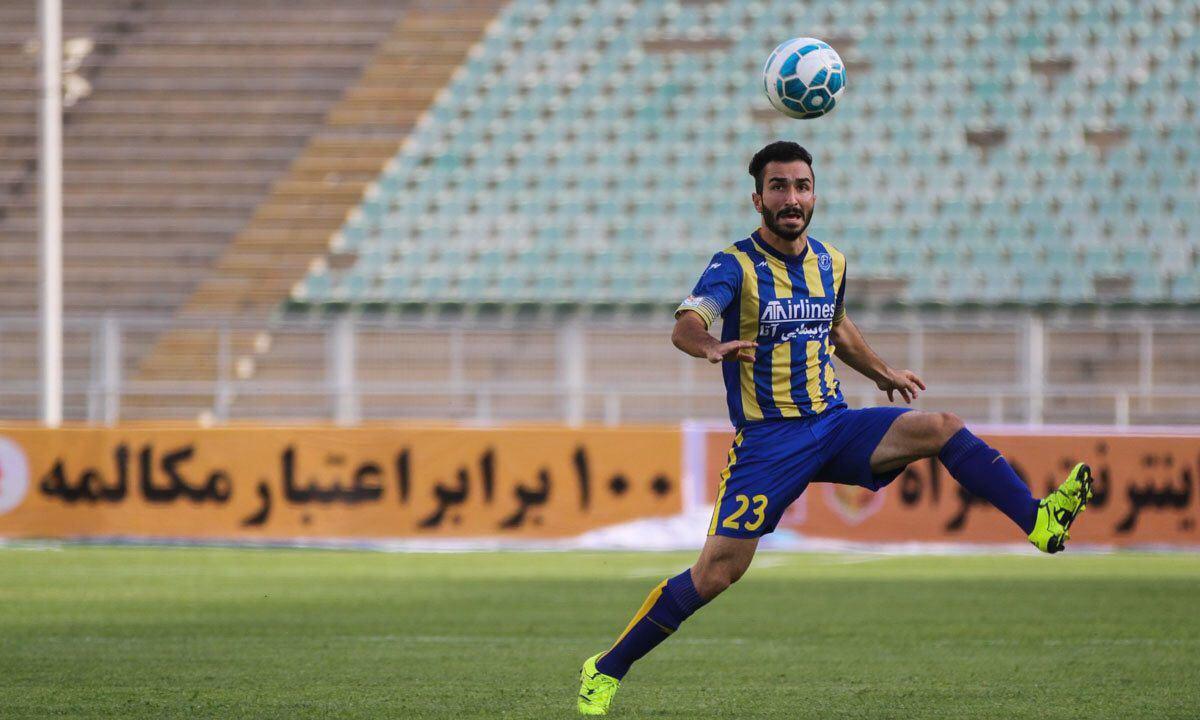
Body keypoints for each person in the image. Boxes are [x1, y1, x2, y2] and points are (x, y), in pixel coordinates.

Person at [576, 141, 1093, 716]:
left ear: (815, 195)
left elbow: (837, 327)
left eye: (801, 186)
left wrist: (883, 372)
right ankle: (606, 668)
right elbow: (687, 323)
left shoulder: (831, 262)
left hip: (834, 423)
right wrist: (710, 346)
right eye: (778, 187)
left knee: (941, 427)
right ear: (758, 199)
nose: (791, 198)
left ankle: (1039, 521)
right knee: (717, 573)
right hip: (770, 442)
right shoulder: (734, 265)